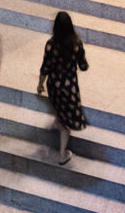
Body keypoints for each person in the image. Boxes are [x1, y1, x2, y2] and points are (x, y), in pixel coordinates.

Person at [37, 9, 89, 164]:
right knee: (66, 125)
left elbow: (45, 68)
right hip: (69, 87)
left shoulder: (50, 45)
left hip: (54, 85)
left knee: (58, 107)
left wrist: (40, 84)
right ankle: (62, 155)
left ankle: (58, 120)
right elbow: (83, 65)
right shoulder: (76, 44)